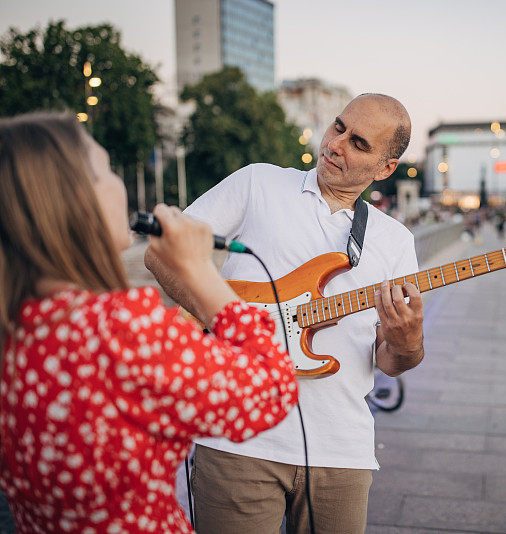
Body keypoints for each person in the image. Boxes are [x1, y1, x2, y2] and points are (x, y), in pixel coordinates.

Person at [0, 113, 299, 532]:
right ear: (72, 197)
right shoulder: (122, 331)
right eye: (106, 169)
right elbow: (271, 388)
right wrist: (199, 271)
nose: (119, 183)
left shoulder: (17, 329)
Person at [145, 94, 424, 533]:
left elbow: (390, 361)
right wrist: (228, 322)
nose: (336, 144)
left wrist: (407, 341)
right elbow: (164, 248)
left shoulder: (395, 241)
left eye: (360, 144)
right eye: (338, 127)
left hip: (341, 454)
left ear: (386, 168)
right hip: (235, 439)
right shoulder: (259, 183)